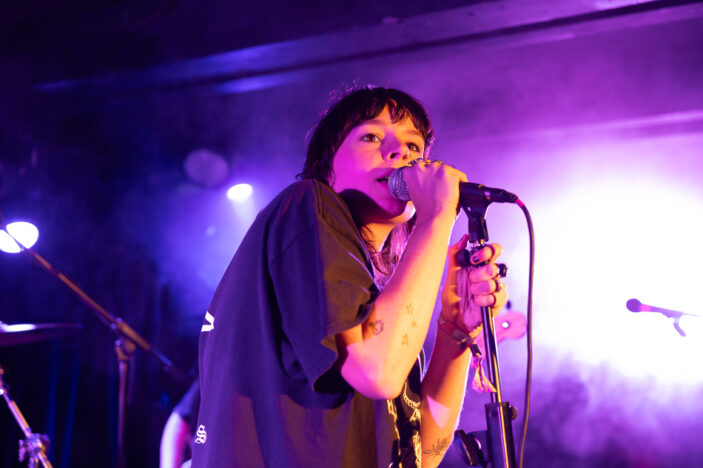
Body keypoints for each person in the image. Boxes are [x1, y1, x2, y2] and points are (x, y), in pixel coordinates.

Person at [192, 86, 507, 467]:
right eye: (372, 137)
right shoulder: (305, 203)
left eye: (414, 146)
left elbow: (423, 454)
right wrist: (437, 218)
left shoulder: (382, 303)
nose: (401, 153)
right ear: (326, 166)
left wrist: (455, 328)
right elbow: (377, 372)